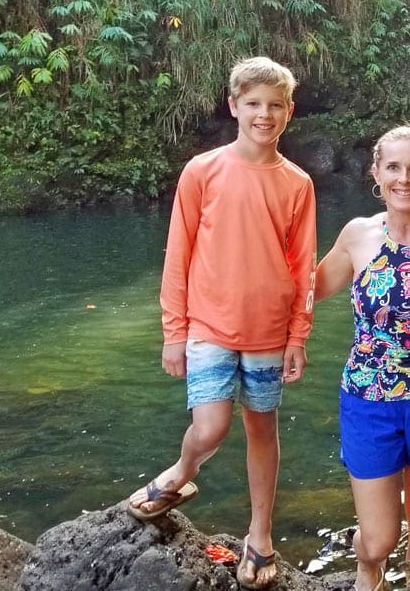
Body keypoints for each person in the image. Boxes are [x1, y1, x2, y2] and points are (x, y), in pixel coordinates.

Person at [126, 56, 317, 590]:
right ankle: (184, 471)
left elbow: (302, 265)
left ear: (289, 111)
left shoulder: (298, 182)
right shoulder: (202, 170)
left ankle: (260, 533)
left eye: (274, 105)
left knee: (262, 428)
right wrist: (173, 332)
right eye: (253, 103)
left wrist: (297, 335)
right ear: (233, 106)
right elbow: (178, 255)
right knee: (210, 427)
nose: (264, 114)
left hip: (270, 331)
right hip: (208, 325)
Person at [314, 125, 410, 591]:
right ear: (375, 173)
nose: (404, 178)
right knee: (378, 539)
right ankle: (368, 565)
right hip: (367, 398)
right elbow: (306, 292)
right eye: (393, 167)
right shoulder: (358, 235)